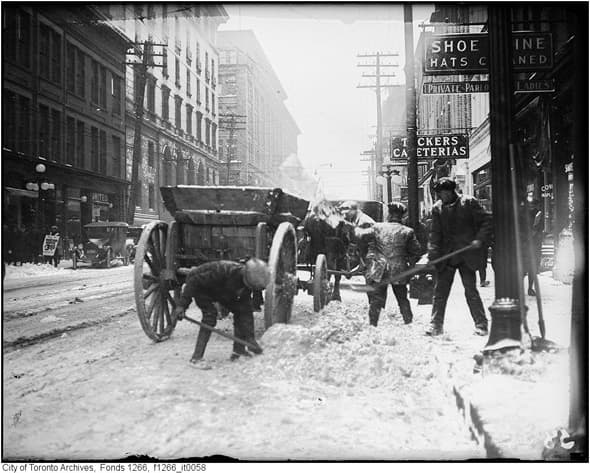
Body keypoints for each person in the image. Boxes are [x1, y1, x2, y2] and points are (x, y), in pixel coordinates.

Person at [172, 258, 270, 368]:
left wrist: (251, 340)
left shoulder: (245, 284)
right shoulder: (222, 271)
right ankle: (196, 358)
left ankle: (238, 351)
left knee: (241, 312)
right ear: (245, 277)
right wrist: (182, 305)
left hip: (221, 291)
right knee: (210, 316)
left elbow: (246, 312)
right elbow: (193, 281)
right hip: (202, 287)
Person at [426, 177, 492, 336]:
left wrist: (479, 239)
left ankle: (481, 324)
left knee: (471, 291)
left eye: (446, 193)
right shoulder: (437, 208)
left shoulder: (469, 202)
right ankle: (436, 325)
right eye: (441, 194)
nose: (444, 196)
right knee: (440, 292)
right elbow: (435, 234)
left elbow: (487, 221)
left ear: (453, 190)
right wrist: (432, 253)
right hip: (447, 256)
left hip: (466, 255)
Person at [364, 202, 423, 326]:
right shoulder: (408, 231)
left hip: (379, 268)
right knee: (402, 298)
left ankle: (373, 325)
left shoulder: (376, 227)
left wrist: (371, 265)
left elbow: (370, 247)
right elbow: (417, 251)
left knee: (376, 299)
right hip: (399, 269)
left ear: (389, 214)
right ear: (401, 216)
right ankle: (408, 323)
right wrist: (409, 263)